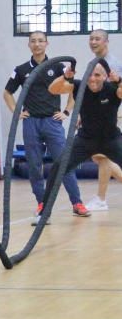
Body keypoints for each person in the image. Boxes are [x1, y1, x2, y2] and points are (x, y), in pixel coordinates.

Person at [3, 31, 90, 218]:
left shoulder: (58, 68)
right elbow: (7, 94)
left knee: (64, 162)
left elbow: (73, 90)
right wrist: (17, 112)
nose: (37, 44)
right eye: (33, 41)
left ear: (47, 44)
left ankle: (77, 203)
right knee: (34, 165)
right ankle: (42, 204)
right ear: (29, 45)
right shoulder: (21, 69)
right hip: (31, 122)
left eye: (40, 41)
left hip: (52, 122)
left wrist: (66, 112)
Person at [35, 63, 122, 225]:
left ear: (104, 76)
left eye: (97, 75)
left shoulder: (111, 89)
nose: (92, 78)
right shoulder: (79, 86)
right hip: (85, 139)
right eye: (90, 74)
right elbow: (53, 89)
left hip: (111, 139)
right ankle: (44, 211)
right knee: (58, 168)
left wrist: (119, 80)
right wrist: (65, 76)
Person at [84, 29, 122, 211]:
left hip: (112, 114)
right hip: (96, 116)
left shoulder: (112, 64)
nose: (93, 42)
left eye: (97, 39)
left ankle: (101, 199)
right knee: (100, 157)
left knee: (103, 155)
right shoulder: (93, 62)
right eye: (91, 39)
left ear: (106, 41)